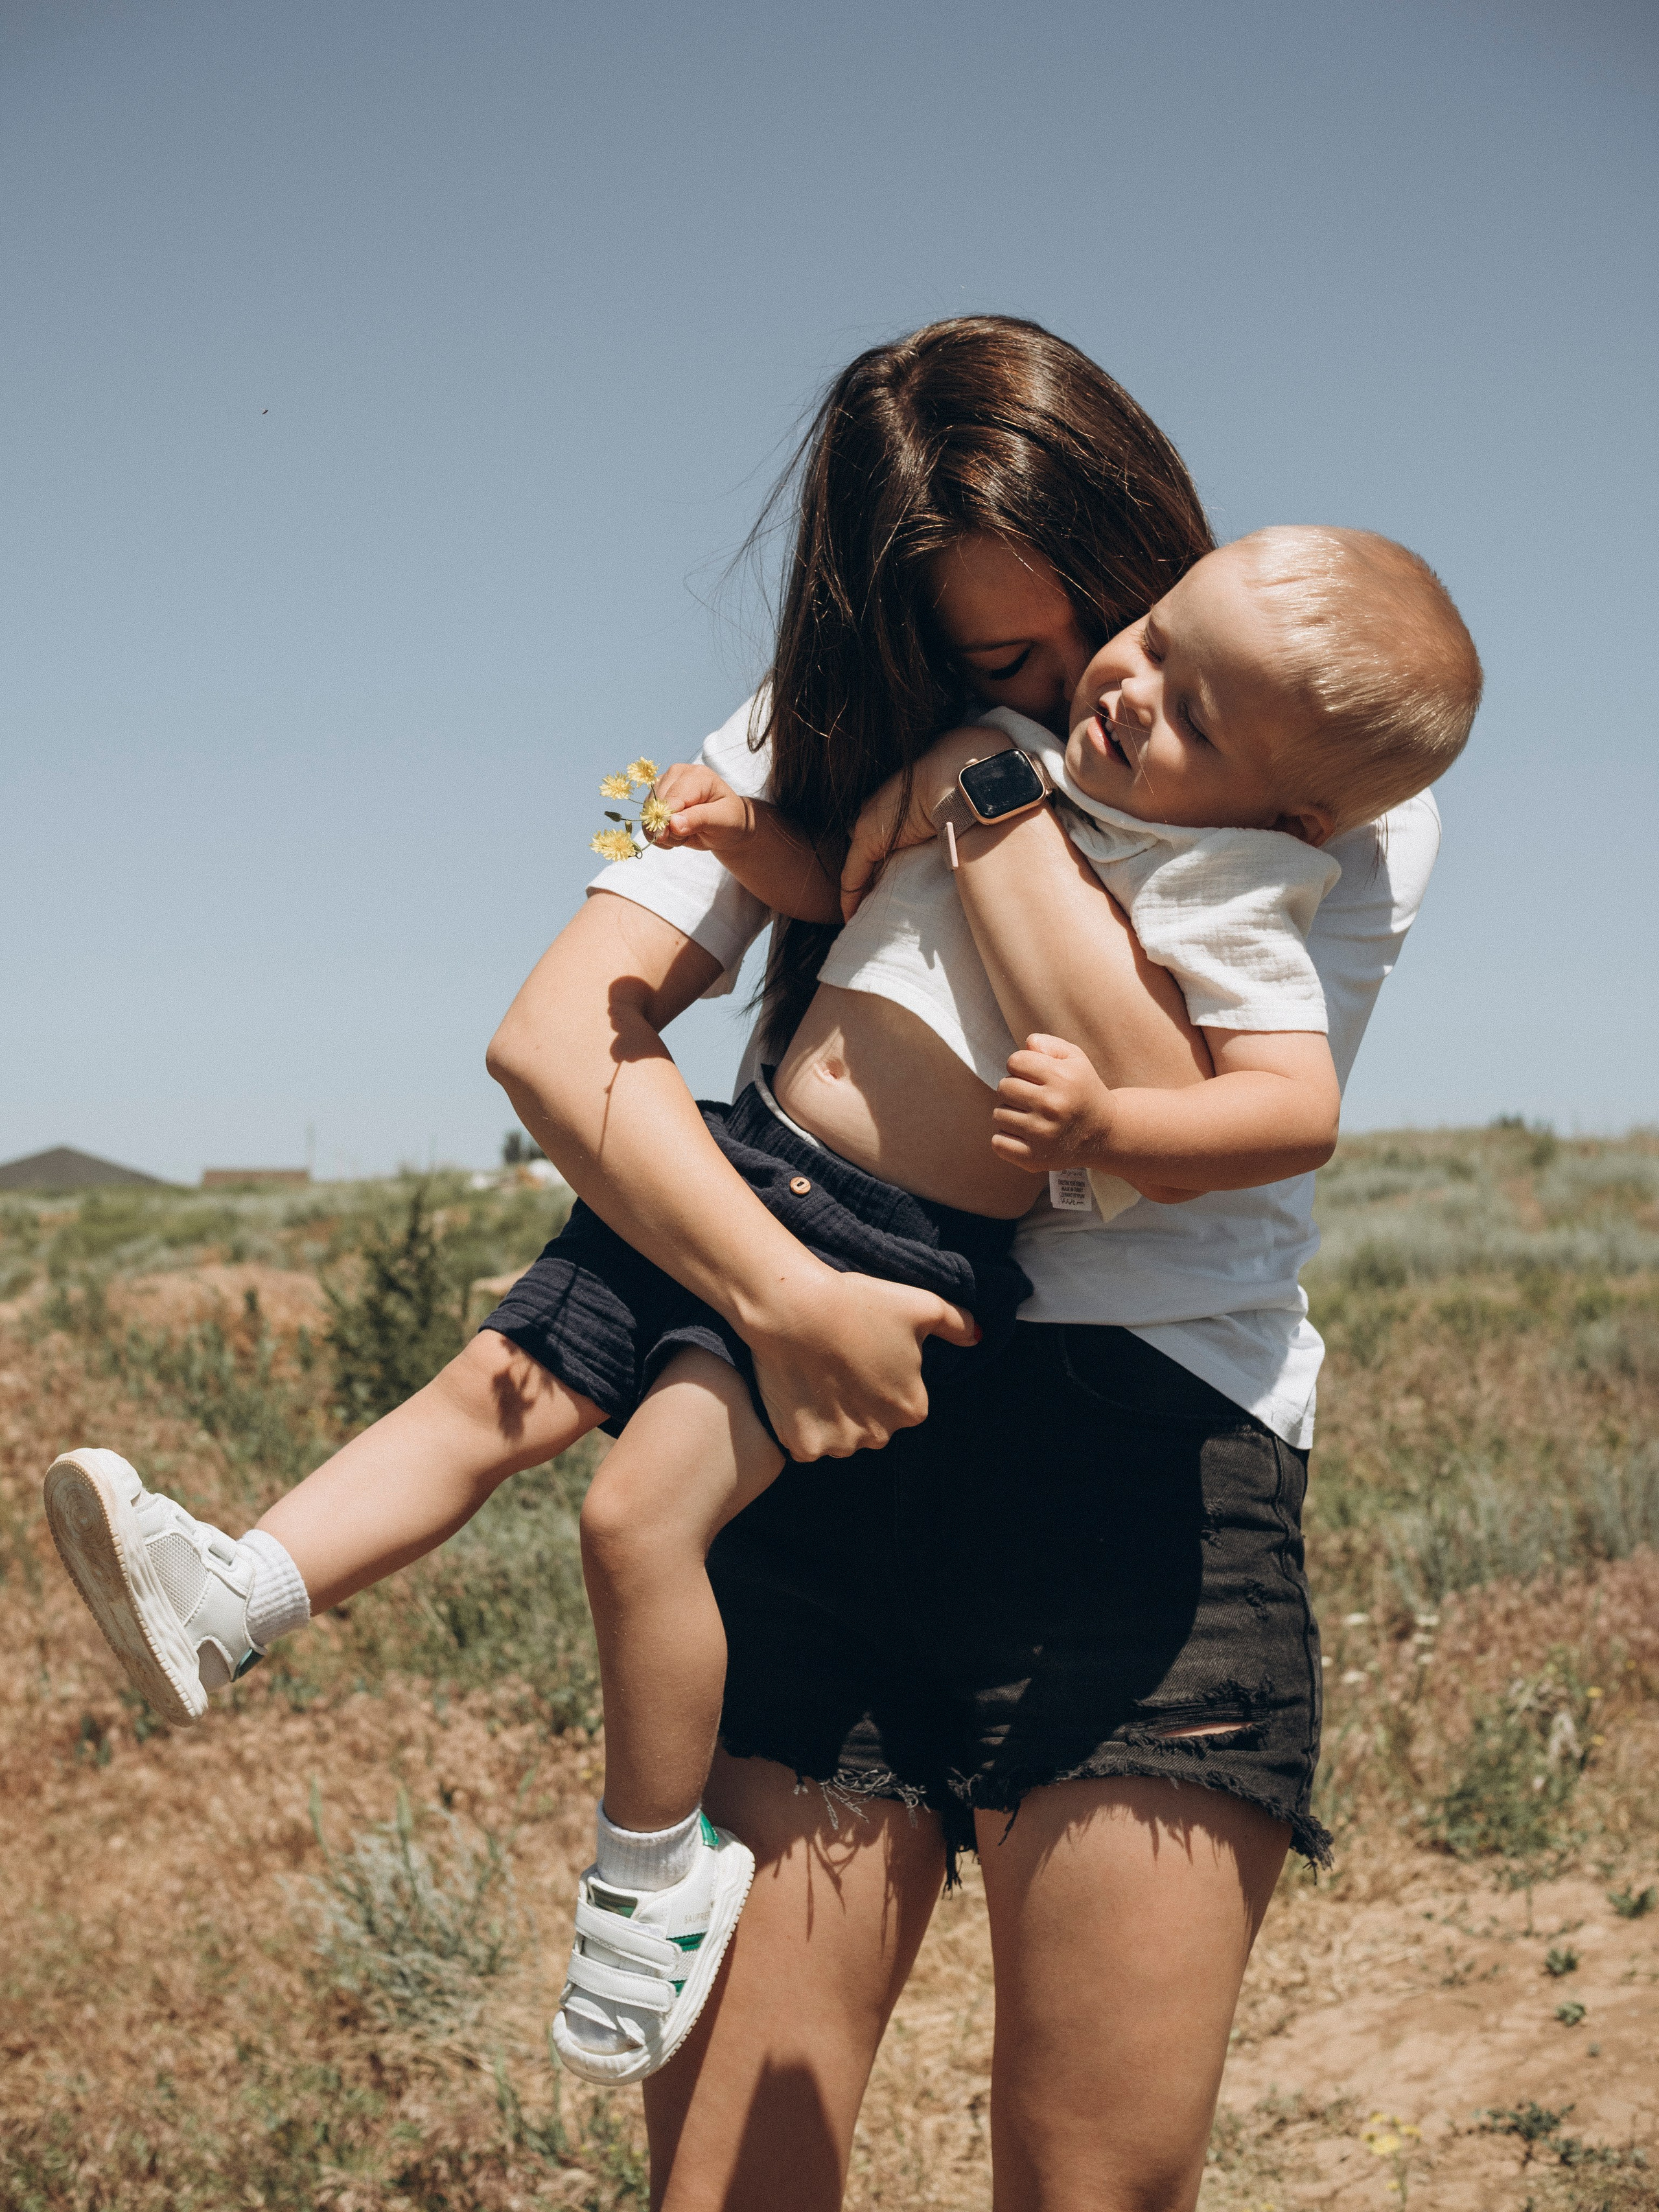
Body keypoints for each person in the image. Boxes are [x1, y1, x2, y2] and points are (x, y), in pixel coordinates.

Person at [41, 317, 1453, 2209]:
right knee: (723, 2187)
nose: (1090, 689)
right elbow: (559, 1039)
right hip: (827, 1377)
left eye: (1086, 624)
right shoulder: (873, 711)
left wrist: (982, 784)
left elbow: (1144, 1096)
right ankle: (252, 1591)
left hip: (1141, 1480)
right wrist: (782, 1291)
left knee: (1090, 2186)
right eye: (994, 664)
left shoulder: (1311, 767)